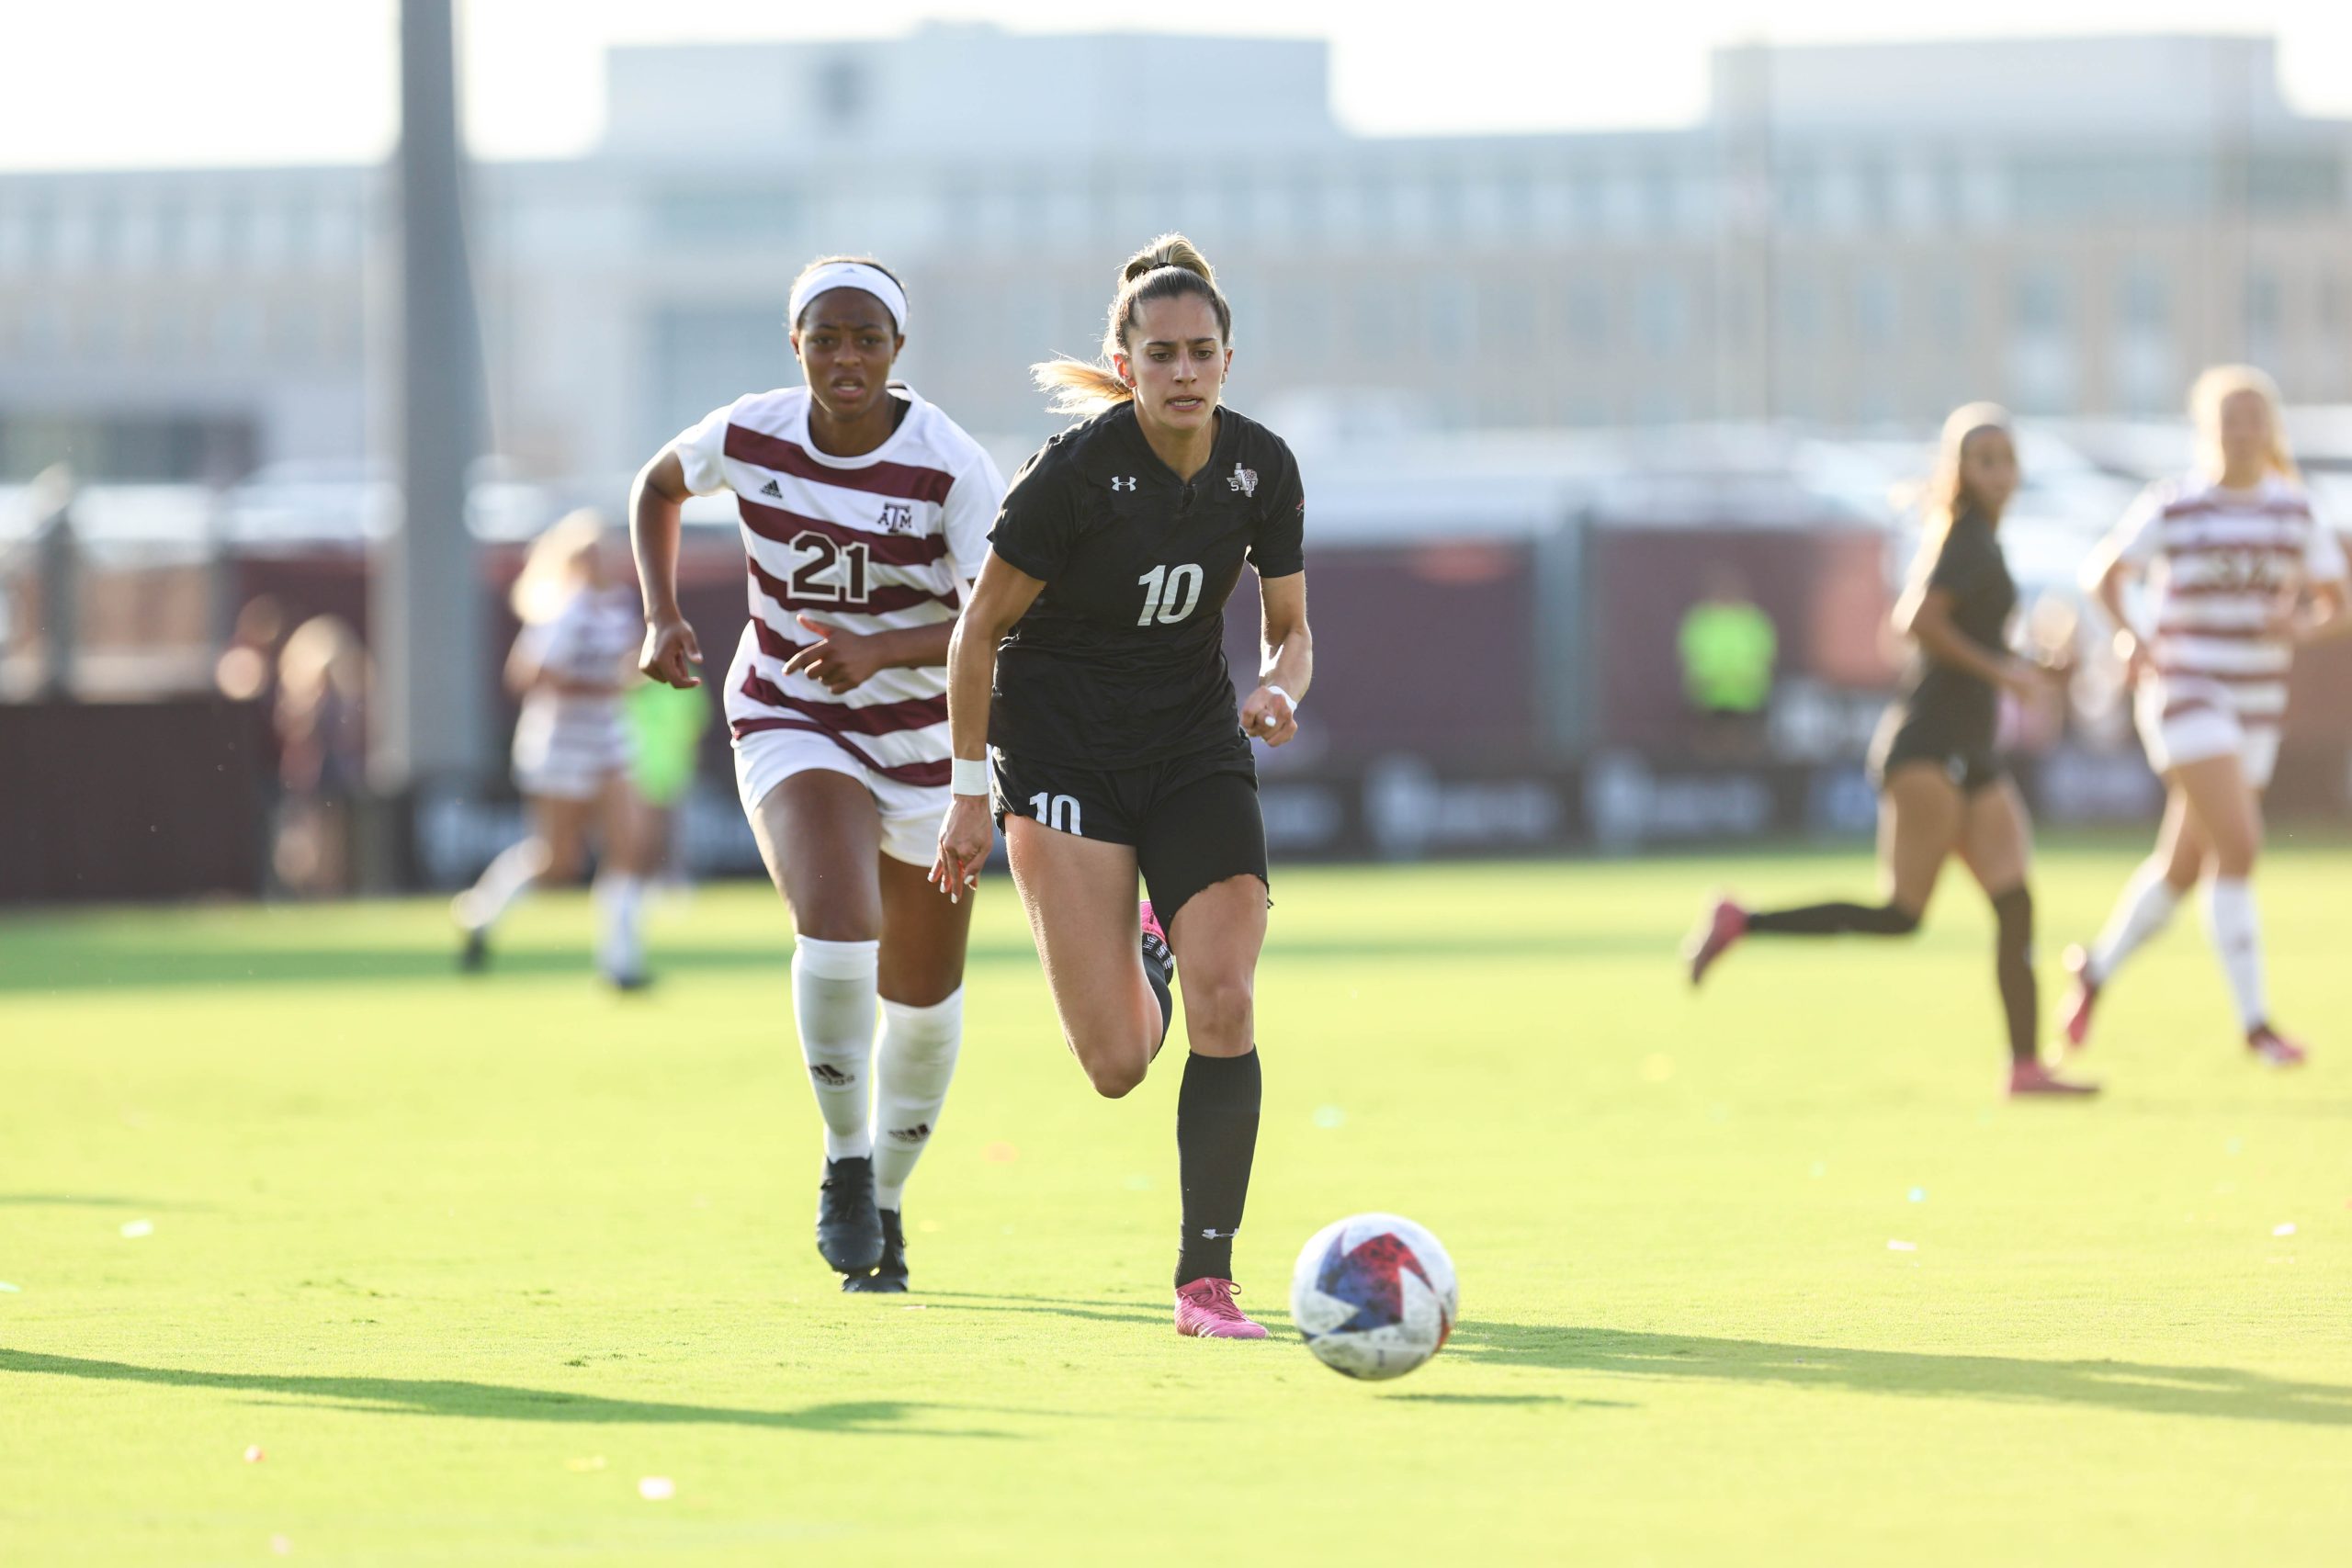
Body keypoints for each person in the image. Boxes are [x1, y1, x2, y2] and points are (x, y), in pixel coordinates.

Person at [932, 234, 1314, 1338]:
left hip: (1193, 750)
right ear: (1127, 360)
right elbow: (976, 633)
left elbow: (1290, 634)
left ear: (1228, 361)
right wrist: (966, 791)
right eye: (1162, 354)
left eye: (1202, 352)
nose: (1184, 372)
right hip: (1062, 763)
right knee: (1113, 1066)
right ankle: (1145, 946)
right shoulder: (1072, 477)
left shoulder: (1262, 468)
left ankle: (1206, 1282)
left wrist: (1281, 693)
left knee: (1228, 1001)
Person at [632, 255, 1004, 1292]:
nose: (846, 358)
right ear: (793, 343)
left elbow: (994, 624)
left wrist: (882, 651)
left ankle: (885, 1199)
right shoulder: (750, 430)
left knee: (922, 1009)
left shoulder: (949, 464)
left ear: (898, 349)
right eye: (825, 337)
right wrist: (662, 613)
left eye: (866, 339)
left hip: (931, 742)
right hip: (793, 710)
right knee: (835, 926)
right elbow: (659, 483)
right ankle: (845, 1161)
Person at [1684, 404, 2093, 1096]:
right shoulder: (1964, 537)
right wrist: (2008, 674)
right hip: (1931, 748)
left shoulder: (1981, 542)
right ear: (1959, 471)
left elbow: (1966, 642)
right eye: (1981, 458)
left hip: (1964, 748)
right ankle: (1741, 920)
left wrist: (2032, 665)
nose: (1996, 470)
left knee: (2010, 901)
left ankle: (2025, 1067)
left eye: (2004, 457)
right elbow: (1915, 623)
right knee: (1903, 914)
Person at [2058, 366, 2348, 1066]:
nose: (2242, 431)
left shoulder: (2293, 510)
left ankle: (2093, 970)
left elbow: (2338, 605)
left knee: (2182, 865)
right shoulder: (2176, 504)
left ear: (2270, 429)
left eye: (2254, 418)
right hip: (2186, 689)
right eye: (2229, 418)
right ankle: (2257, 1027)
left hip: (2256, 703)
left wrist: (2298, 627)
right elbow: (2104, 574)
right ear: (2207, 429)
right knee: (2241, 846)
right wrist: (2131, 637)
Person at [453, 510, 651, 988]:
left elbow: (628, 669)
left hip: (609, 739)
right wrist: (598, 688)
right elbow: (527, 674)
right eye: (589, 553)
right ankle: (480, 914)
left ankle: (621, 964)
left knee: (629, 846)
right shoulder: (562, 610)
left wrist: (635, 676)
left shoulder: (621, 605)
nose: (600, 561)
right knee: (556, 861)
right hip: (561, 745)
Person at [273, 614, 368, 898]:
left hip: (334, 775)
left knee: (333, 836)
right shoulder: (301, 698)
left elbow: (350, 734)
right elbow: (294, 732)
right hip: (309, 777)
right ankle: (301, 884)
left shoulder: (344, 699)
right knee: (303, 833)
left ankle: (330, 885)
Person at [1678, 564, 1776, 758]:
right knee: (1711, 746)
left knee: (1745, 746)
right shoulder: (1700, 620)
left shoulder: (1752, 619)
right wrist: (1701, 680)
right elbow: (1690, 653)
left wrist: (1750, 678)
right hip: (1710, 695)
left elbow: (1764, 653)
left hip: (1746, 695)